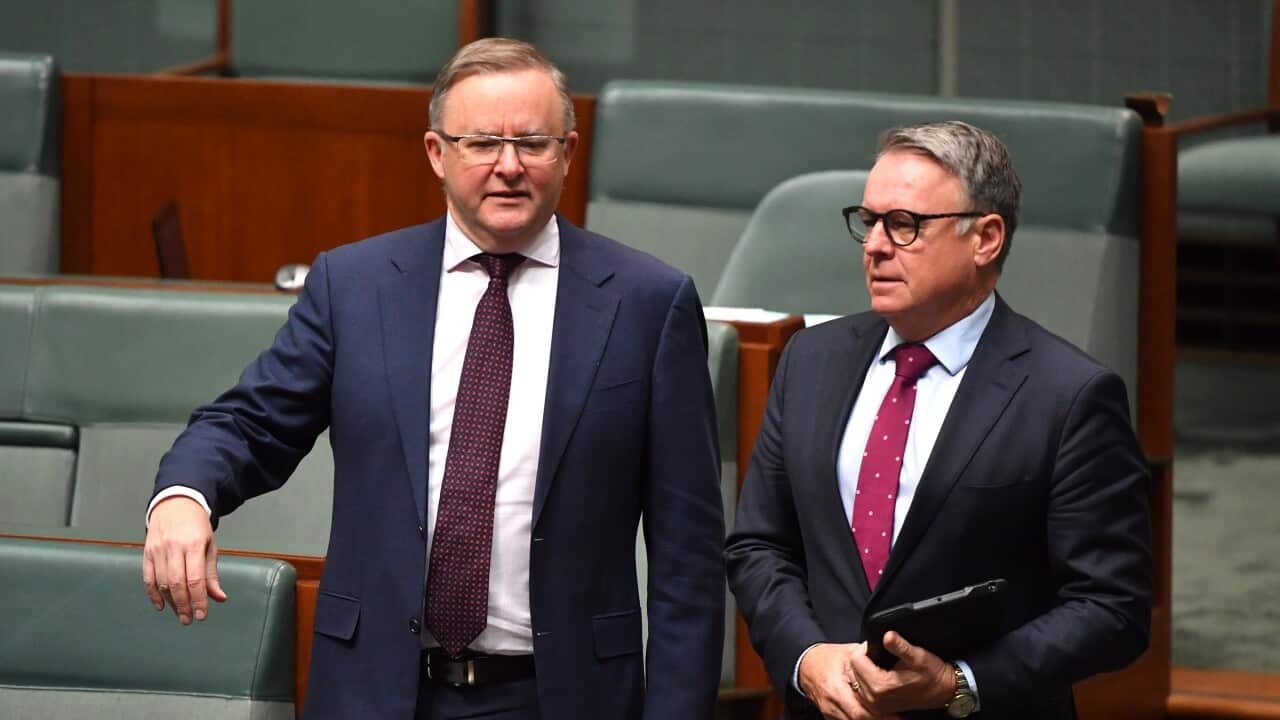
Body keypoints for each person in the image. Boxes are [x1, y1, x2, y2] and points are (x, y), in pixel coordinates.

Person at [141, 38, 725, 720]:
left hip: (561, 697)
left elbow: (689, 562)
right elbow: (250, 423)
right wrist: (185, 496)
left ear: (568, 152)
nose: (508, 166)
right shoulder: (355, 287)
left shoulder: (648, 304)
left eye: (532, 143)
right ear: (436, 153)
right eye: (482, 142)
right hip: (377, 691)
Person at [724, 121, 1151, 720]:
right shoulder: (810, 360)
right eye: (868, 221)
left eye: (904, 225)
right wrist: (808, 656)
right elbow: (759, 545)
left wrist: (961, 682)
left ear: (985, 238)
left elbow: (1113, 606)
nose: (874, 245)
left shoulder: (1069, 395)